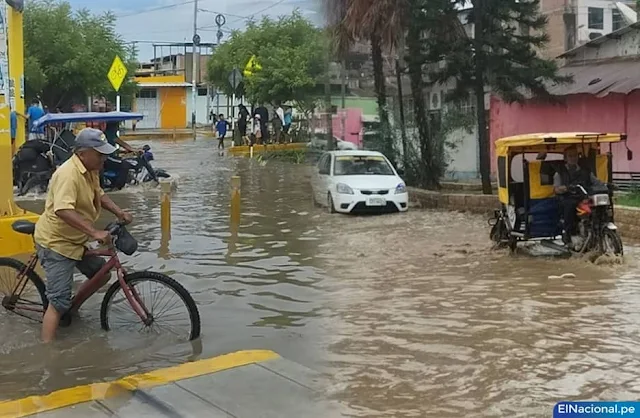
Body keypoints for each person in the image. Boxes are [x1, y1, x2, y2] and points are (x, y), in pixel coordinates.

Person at [34, 128, 133, 343]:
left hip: (76, 240)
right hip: (56, 243)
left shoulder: (91, 169)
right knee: (57, 303)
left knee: (101, 274)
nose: (103, 158)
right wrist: (94, 232)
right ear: (82, 153)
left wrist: (119, 212)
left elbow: (100, 195)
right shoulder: (68, 174)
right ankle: (48, 357)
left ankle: (73, 308)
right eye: (99, 154)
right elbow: (63, 209)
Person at [553, 145, 604, 246]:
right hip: (567, 197)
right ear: (565, 158)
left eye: (575, 155)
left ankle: (599, 227)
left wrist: (606, 186)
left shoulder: (586, 171)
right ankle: (570, 234)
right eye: (570, 156)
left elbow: (597, 182)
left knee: (601, 204)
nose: (573, 158)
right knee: (570, 205)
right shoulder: (559, 173)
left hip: (584, 197)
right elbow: (556, 189)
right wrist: (566, 188)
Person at [102, 121, 140, 190]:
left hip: (109, 157)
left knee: (124, 160)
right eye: (117, 126)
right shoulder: (110, 133)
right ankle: (118, 187)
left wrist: (123, 151)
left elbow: (112, 148)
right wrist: (133, 149)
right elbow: (122, 144)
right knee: (126, 164)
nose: (118, 128)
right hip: (108, 158)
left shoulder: (108, 134)